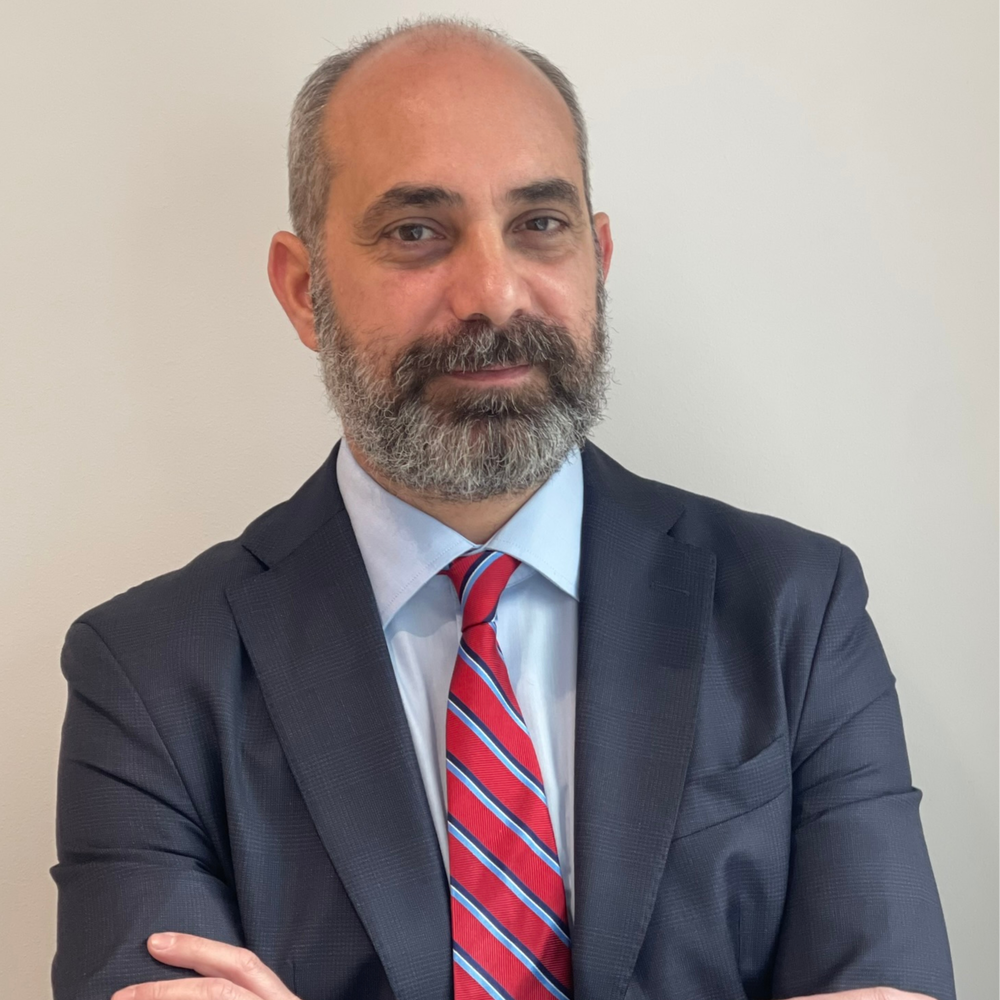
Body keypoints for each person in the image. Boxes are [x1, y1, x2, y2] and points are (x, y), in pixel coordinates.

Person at [52, 18, 955, 1000]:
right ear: (305, 290)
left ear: (597, 257)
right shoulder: (148, 675)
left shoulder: (795, 610)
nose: (492, 293)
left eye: (539, 224)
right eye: (416, 231)